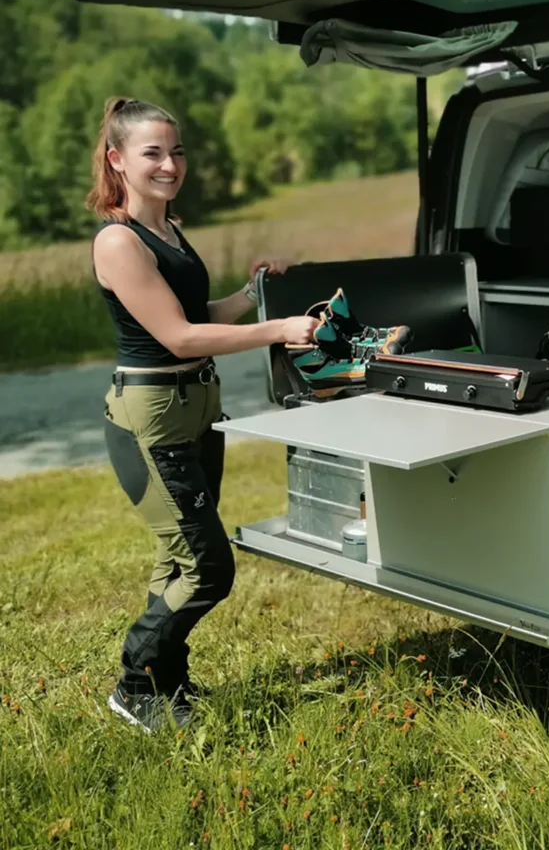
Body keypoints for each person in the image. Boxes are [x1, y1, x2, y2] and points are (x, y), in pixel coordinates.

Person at [88, 96, 318, 733]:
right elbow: (179, 338)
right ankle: (135, 684)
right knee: (208, 567)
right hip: (152, 416)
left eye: (177, 151)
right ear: (117, 159)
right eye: (153, 153)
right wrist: (278, 328)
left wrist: (253, 292)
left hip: (198, 408)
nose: (170, 164)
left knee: (179, 557)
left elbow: (199, 318)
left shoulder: (169, 231)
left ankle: (167, 679)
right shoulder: (118, 241)